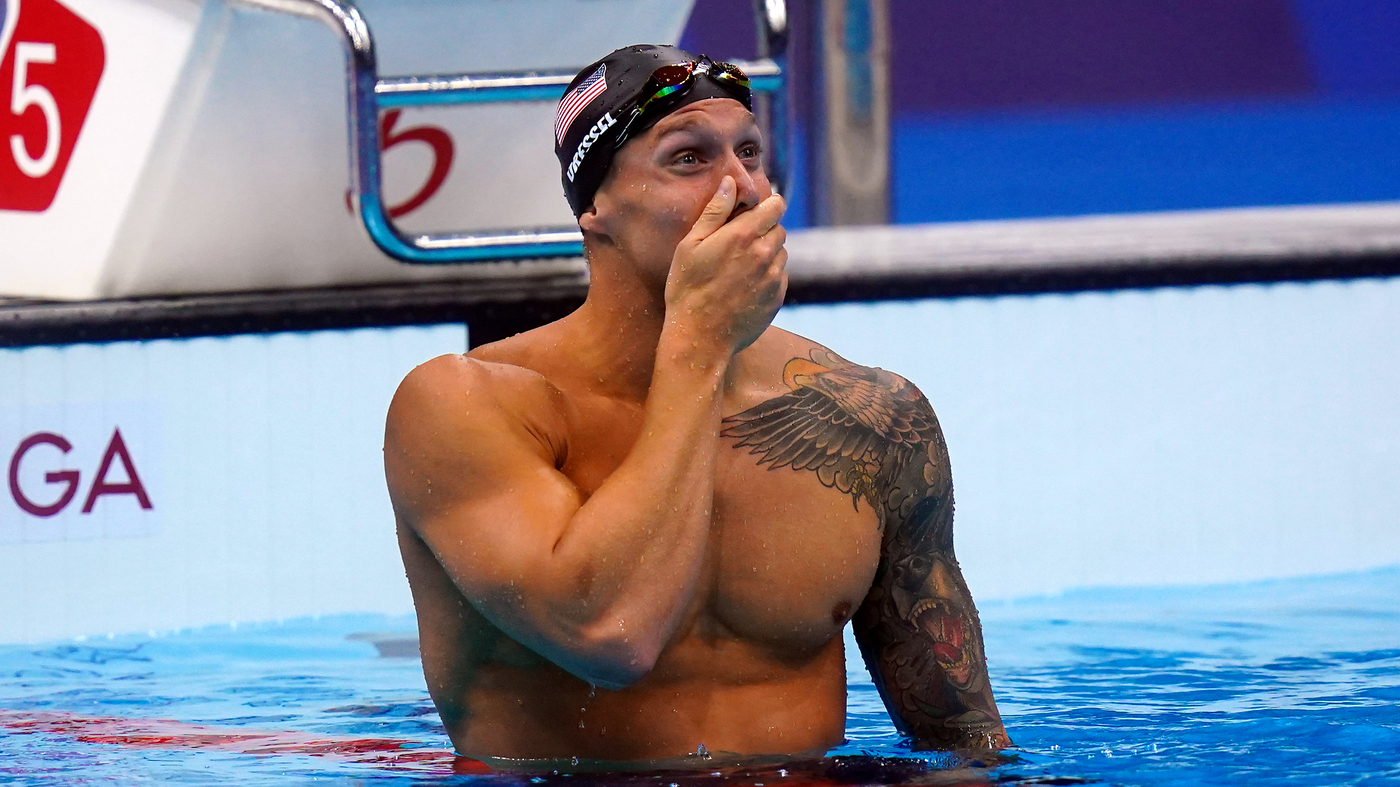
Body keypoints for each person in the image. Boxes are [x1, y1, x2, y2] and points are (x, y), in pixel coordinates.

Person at [384, 44, 1008, 766]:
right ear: (595, 207)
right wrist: (697, 347)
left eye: (750, 152)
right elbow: (611, 634)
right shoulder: (466, 404)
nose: (741, 190)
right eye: (689, 159)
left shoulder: (872, 416)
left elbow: (961, 740)